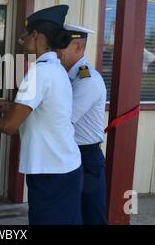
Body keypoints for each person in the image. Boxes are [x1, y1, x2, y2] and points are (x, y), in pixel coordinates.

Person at [0, 5, 83, 225]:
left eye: (24, 37)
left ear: (35, 35)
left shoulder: (39, 72)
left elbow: (11, 126)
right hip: (61, 168)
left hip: (51, 172)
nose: (22, 42)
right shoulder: (55, 68)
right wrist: (7, 113)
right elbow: (43, 116)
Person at [56, 24, 107, 225]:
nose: (57, 50)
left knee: (91, 215)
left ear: (78, 47)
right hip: (68, 154)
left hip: (86, 157)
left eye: (62, 45)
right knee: (69, 215)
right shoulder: (64, 76)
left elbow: (63, 119)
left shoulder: (88, 79)